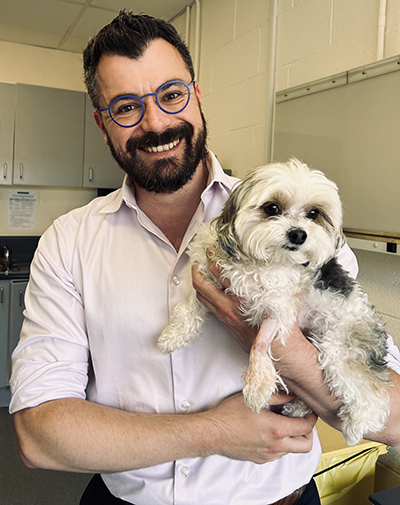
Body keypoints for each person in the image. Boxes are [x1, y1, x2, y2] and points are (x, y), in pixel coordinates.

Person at [9, 10, 400, 505]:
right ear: (102, 123)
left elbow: (394, 416)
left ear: (195, 94)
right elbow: (38, 434)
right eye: (126, 107)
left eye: (171, 94)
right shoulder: (68, 242)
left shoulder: (299, 229)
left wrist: (272, 343)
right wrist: (215, 431)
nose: (155, 122)